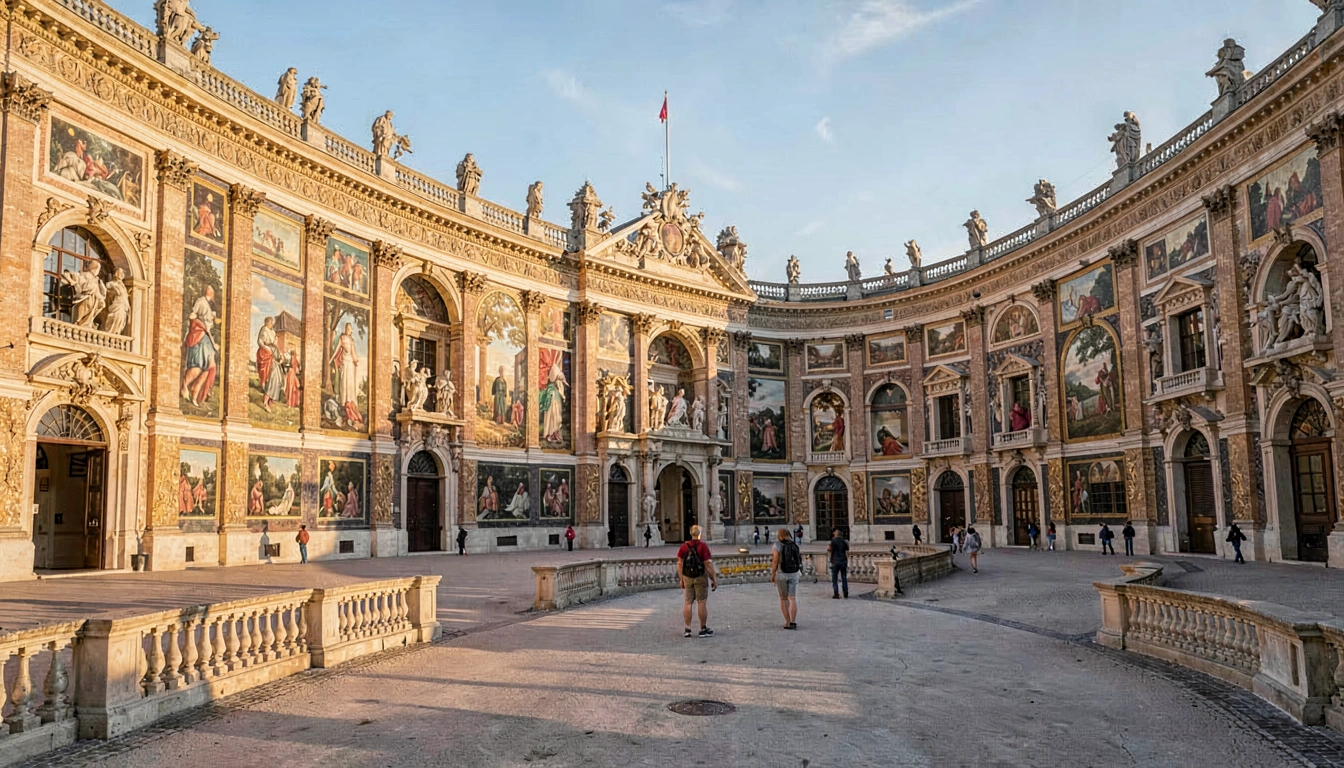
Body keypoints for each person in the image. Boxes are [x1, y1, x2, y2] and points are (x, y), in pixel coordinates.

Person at [677, 525, 717, 638]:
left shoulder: (684, 546)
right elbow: (708, 564)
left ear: (691, 533)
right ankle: (703, 629)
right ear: (699, 534)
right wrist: (713, 579)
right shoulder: (702, 546)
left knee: (688, 602)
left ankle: (687, 629)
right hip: (700, 577)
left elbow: (679, 563)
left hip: (687, 577)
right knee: (701, 602)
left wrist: (681, 578)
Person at [770, 528, 802, 630]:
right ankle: (793, 621)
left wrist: (773, 574)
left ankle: (787, 622)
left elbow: (775, 561)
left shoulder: (777, 545)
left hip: (782, 573)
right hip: (794, 572)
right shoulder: (794, 545)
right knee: (792, 598)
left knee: (783, 598)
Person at [827, 528, 850, 599]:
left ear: (835, 534)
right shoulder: (844, 541)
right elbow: (847, 548)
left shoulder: (833, 541)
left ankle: (836, 593)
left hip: (835, 560)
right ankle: (845, 592)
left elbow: (829, 549)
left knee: (834, 578)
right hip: (843, 560)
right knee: (844, 577)